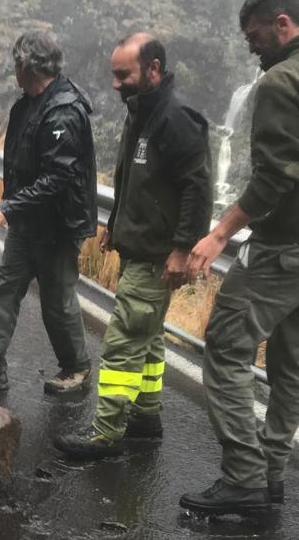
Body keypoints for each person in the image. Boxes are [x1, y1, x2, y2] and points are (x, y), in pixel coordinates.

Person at [180, 0, 299, 514]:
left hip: (283, 251)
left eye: (255, 35)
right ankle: (273, 472)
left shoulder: (282, 80)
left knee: (224, 346)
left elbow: (274, 177)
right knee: (291, 365)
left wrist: (219, 232)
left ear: (282, 23)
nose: (251, 47)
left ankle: (244, 478)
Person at [53, 33, 212, 459]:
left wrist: (182, 250)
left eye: (123, 74)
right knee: (148, 338)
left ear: (153, 69)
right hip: (137, 245)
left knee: (124, 341)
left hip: (156, 256)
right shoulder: (140, 112)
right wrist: (114, 224)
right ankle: (146, 416)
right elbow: (135, 179)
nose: (115, 83)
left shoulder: (175, 119)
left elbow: (198, 189)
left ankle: (105, 433)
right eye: (114, 74)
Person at [0, 30, 97, 394]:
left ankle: (76, 368)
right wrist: (12, 209)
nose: (14, 69)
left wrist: (6, 209)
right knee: (4, 287)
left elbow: (59, 177)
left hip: (58, 225)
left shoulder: (63, 109)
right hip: (27, 221)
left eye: (16, 63)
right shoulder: (30, 102)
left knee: (56, 301)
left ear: (26, 65)